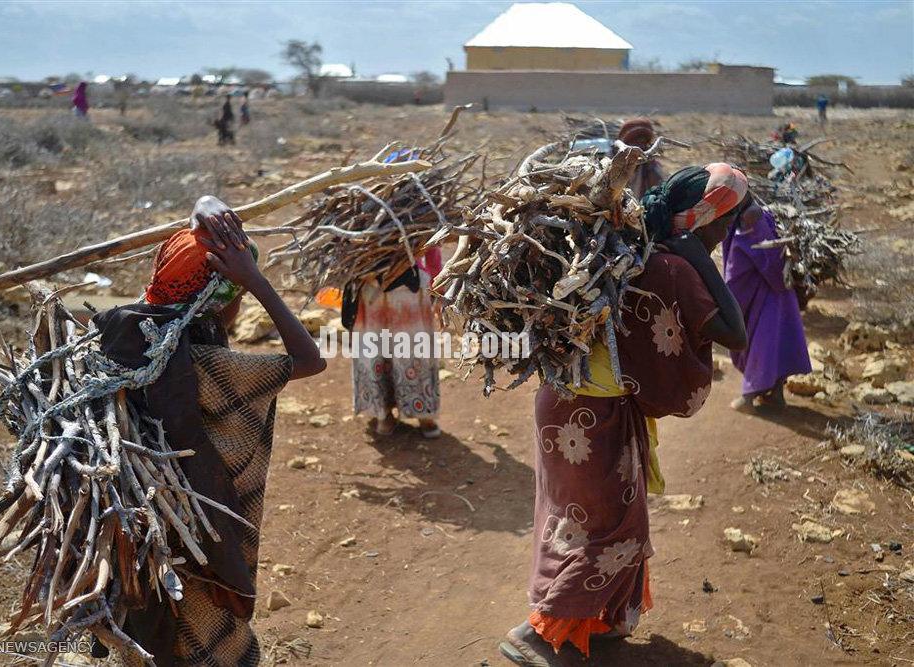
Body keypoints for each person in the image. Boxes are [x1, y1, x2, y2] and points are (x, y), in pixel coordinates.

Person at [500, 164, 748, 666]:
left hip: (563, 405)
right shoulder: (673, 269)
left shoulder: (627, 251)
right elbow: (736, 335)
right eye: (726, 222)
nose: (730, 234)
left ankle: (598, 622)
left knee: (577, 521)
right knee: (611, 529)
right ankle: (535, 633)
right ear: (702, 219)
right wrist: (700, 256)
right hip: (594, 414)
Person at [93, 195, 325, 666]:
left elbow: (196, 226)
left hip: (131, 542)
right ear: (223, 298)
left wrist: (203, 206)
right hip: (193, 545)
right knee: (205, 646)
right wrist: (256, 281)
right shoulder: (202, 365)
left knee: (149, 644)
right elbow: (311, 360)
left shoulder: (118, 333)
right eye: (236, 294)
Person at [342, 245, 443, 438]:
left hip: (409, 292)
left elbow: (431, 242)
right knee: (375, 352)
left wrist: (437, 286)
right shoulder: (359, 216)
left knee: (413, 353)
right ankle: (383, 413)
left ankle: (422, 412)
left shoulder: (418, 214)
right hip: (370, 287)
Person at [722, 200, 811, 412]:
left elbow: (764, 257)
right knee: (774, 344)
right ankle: (776, 396)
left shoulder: (751, 217)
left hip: (767, 294)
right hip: (774, 293)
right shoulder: (750, 213)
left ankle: (749, 396)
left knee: (763, 345)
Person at [616, 118, 666, 198]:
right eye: (635, 142)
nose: (640, 146)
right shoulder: (615, 159)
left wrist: (650, 165)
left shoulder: (650, 163)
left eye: (643, 142)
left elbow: (658, 185)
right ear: (627, 143)